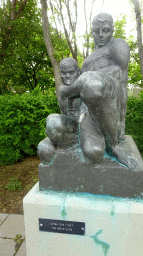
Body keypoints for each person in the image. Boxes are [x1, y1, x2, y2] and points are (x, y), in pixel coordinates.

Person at [59, 13, 132, 167]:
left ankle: (113, 144)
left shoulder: (117, 46)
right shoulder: (92, 55)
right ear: (92, 31)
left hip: (106, 105)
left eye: (105, 30)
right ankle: (76, 137)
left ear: (112, 29)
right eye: (96, 31)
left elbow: (122, 82)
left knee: (91, 83)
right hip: (88, 109)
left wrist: (121, 121)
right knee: (93, 152)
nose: (100, 35)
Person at [37, 58, 81, 164]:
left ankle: (74, 146)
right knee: (43, 149)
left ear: (78, 72)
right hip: (70, 128)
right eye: (64, 72)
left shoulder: (84, 86)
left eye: (71, 72)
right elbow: (64, 113)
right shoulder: (62, 89)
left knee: (52, 121)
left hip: (85, 126)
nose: (67, 76)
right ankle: (69, 148)